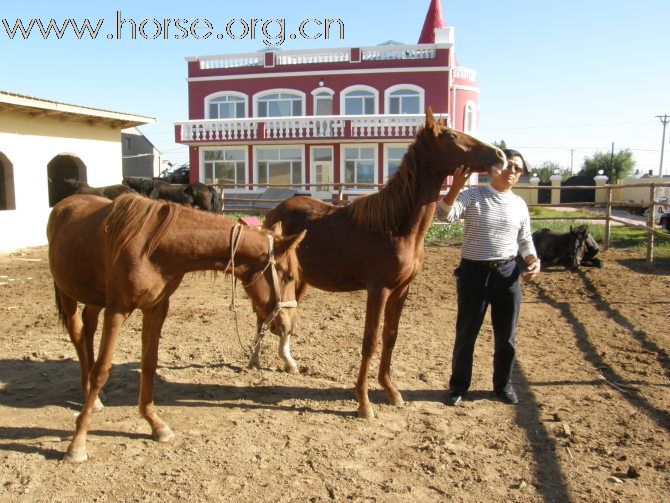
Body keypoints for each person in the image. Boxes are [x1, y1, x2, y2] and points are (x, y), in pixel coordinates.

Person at [436, 149, 541, 406]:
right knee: (466, 334)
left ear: (520, 175)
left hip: (508, 275)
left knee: (506, 337)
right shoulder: (473, 195)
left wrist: (532, 260)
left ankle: (503, 386)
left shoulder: (519, 205)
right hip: (474, 273)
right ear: (496, 167)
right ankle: (459, 386)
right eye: (508, 165)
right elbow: (444, 215)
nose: (511, 171)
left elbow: (524, 240)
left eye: (517, 168)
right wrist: (456, 187)